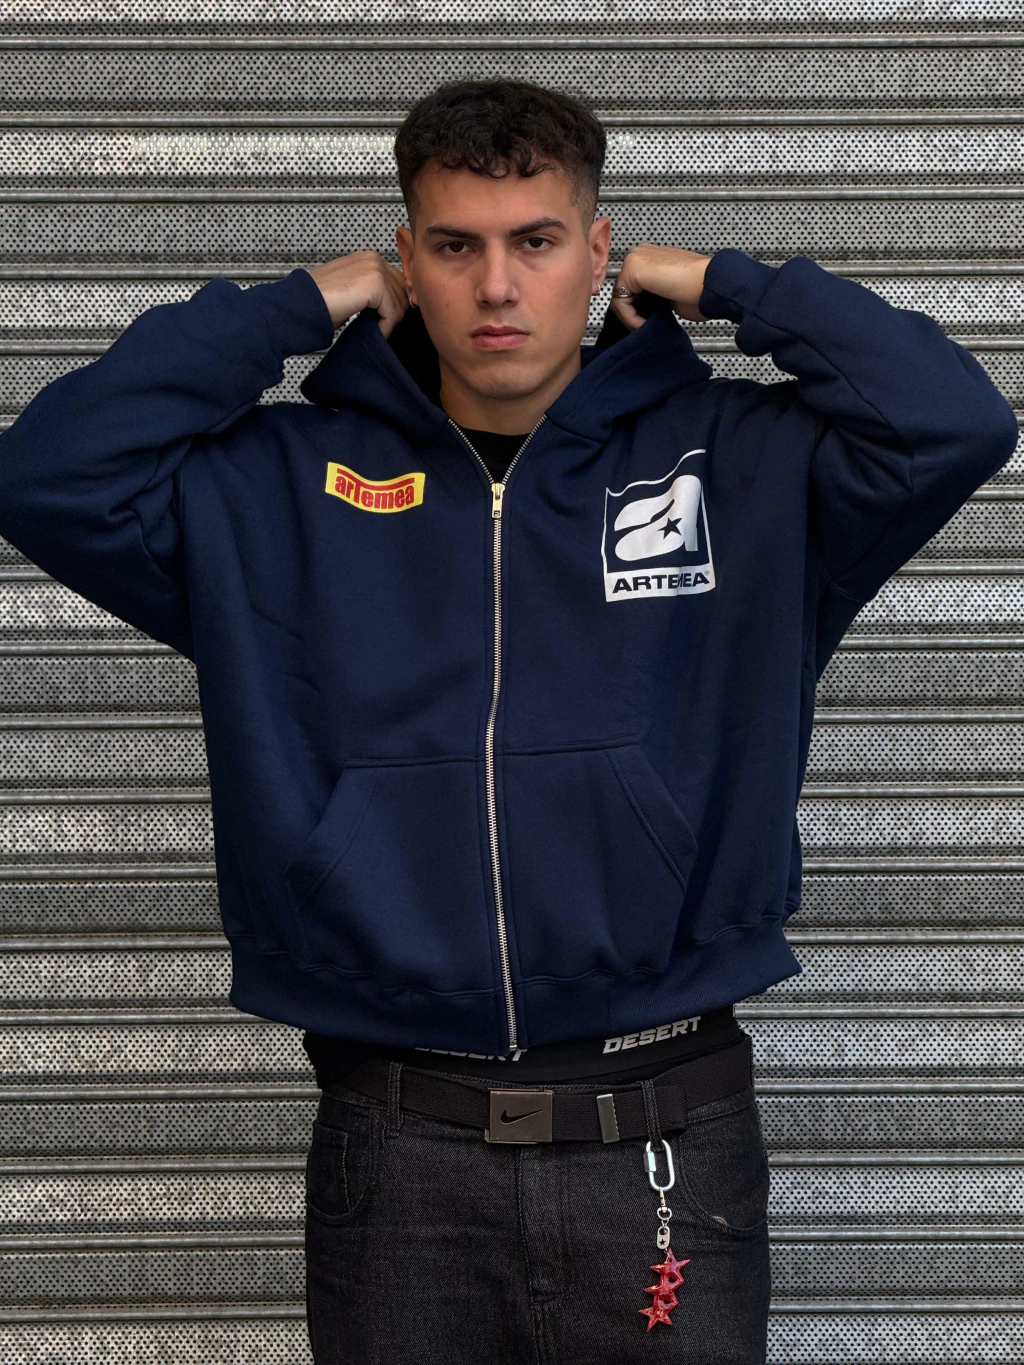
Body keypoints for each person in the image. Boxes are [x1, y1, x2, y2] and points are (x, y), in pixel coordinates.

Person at [0, 76, 1015, 1363]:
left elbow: (952, 420)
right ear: (405, 261)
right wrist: (294, 306)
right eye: (454, 246)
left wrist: (724, 284)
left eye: (536, 241)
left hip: (664, 1127)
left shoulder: (742, 466)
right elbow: (47, 474)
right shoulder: (277, 486)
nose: (496, 287)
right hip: (398, 1140)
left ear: (596, 252)